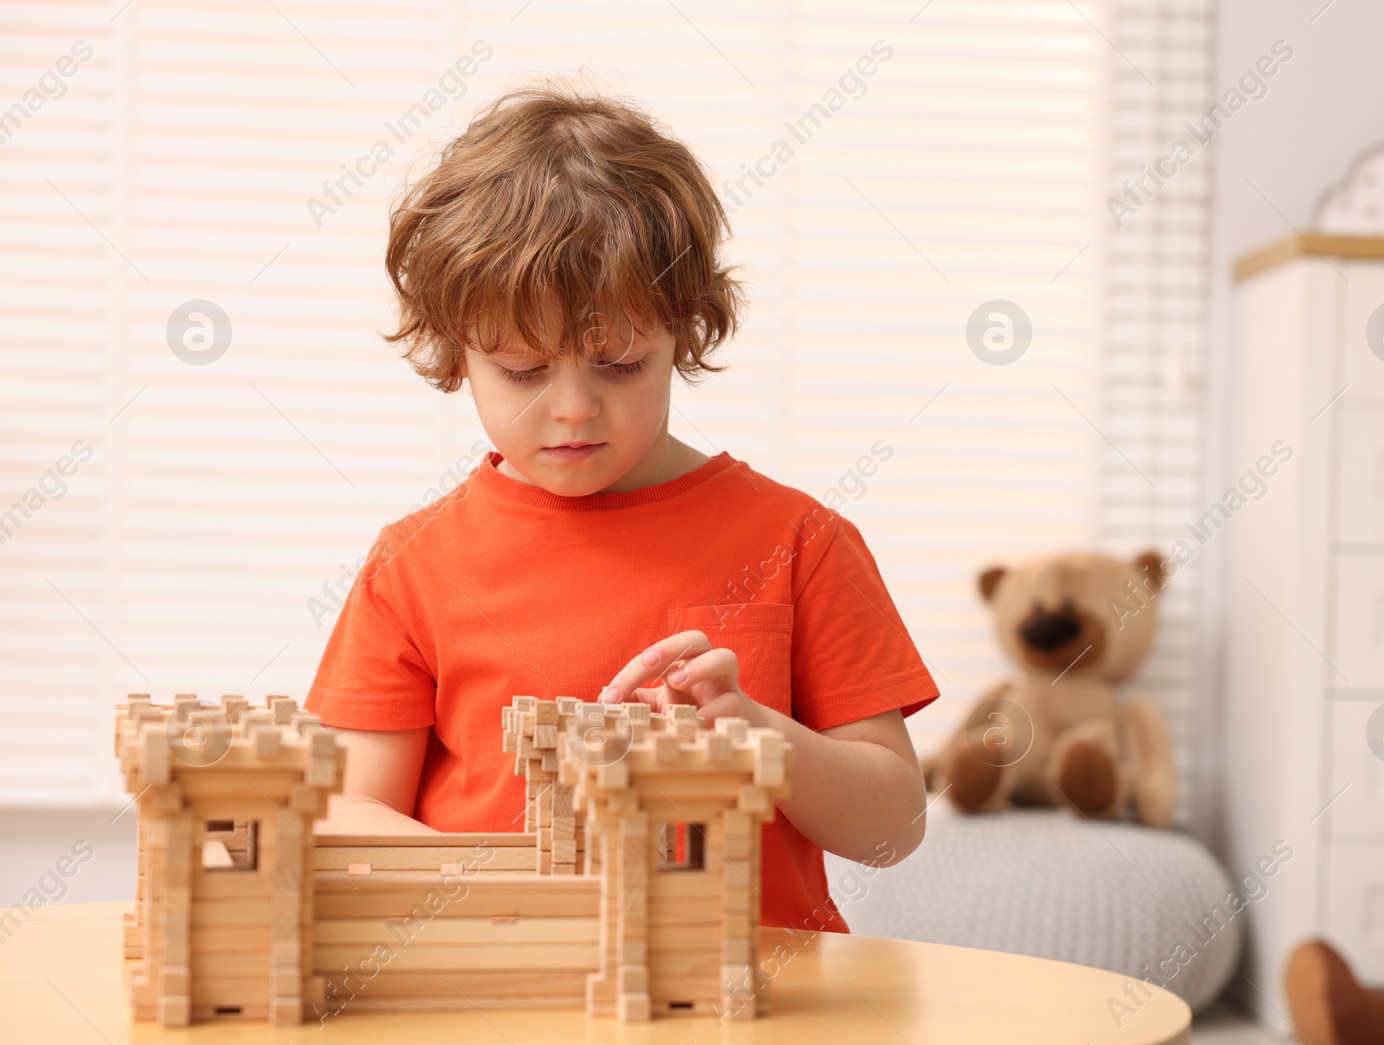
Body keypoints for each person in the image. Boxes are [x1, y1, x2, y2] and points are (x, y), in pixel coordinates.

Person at [306, 83, 939, 932]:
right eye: (524, 371)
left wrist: (761, 737)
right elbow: (343, 816)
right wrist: (522, 890)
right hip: (495, 1013)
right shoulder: (412, 563)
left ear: (686, 329)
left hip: (756, 1025)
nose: (572, 408)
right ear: (457, 350)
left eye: (620, 363)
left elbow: (895, 831)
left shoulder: (801, 542)